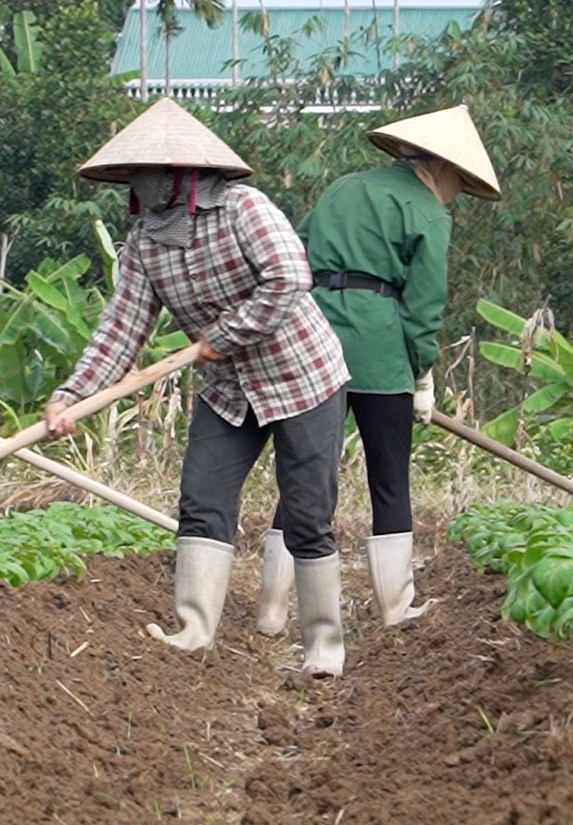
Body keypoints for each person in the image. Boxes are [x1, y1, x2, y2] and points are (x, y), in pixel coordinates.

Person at [42, 98, 353, 677]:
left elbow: (290, 276)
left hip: (301, 377)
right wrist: (72, 395)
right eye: (131, 175)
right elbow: (120, 329)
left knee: (309, 512)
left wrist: (226, 335)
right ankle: (193, 632)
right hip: (228, 391)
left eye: (145, 173)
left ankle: (323, 648)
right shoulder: (143, 243)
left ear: (179, 173)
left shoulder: (243, 209)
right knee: (202, 500)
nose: (135, 184)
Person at [256, 104, 500, 635]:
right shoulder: (429, 213)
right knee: (389, 477)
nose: (457, 192)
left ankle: (272, 610)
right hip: (379, 348)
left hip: (312, 336)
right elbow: (424, 306)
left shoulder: (342, 188)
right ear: (438, 167)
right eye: (459, 181)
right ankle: (395, 606)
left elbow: (291, 253)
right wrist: (422, 375)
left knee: (305, 475)